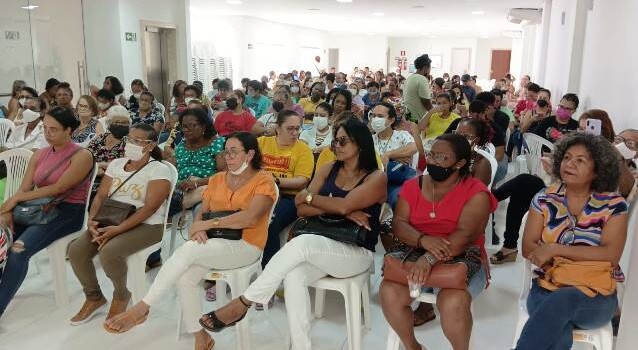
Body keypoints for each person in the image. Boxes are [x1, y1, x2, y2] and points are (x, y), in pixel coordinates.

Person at [190, 118, 385, 350]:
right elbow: (301, 207)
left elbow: (335, 204)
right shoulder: (327, 169)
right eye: (335, 141)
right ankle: (301, 346)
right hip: (322, 245)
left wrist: (325, 202)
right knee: (294, 276)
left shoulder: (376, 177)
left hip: (355, 250)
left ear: (360, 143)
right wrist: (338, 205)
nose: (337, 145)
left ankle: (244, 301)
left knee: (302, 243)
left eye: (343, 140)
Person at [102, 132, 277, 349]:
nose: (227, 156)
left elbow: (250, 217)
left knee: (188, 252)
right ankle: (200, 337)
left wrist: (207, 225)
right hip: (214, 244)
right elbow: (202, 213)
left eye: (234, 151)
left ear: (250, 154)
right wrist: (197, 227)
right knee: (185, 277)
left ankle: (142, 307)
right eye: (225, 151)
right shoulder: (217, 179)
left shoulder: (264, 181)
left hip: (247, 245)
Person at [380, 133, 496, 350]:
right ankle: (412, 346)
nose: (433, 161)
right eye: (432, 154)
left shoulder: (476, 192)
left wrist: (429, 258)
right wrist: (424, 241)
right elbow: (399, 224)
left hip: (461, 259)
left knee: (453, 302)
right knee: (389, 293)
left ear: (460, 163)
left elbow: (464, 237)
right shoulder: (413, 186)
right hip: (415, 251)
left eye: (442, 158)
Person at [514, 133, 628, 350]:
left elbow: (610, 255)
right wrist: (574, 256)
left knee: (560, 304)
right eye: (566, 157)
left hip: (596, 296)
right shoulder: (544, 199)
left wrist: (554, 249)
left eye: (580, 160)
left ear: (597, 170)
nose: (570, 164)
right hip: (547, 286)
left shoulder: (613, 205)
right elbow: (529, 248)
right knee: (557, 328)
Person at [68, 123, 171, 326]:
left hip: (148, 225)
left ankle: (121, 294)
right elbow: (100, 196)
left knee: (109, 251)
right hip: (111, 218)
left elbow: (149, 208)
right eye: (130, 139)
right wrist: (91, 221)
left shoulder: (159, 170)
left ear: (150, 146)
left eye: (138, 141)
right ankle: (94, 296)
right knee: (76, 251)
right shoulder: (116, 164)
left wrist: (117, 230)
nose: (131, 144)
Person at [0, 106, 94, 318]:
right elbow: (24, 189)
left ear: (69, 130)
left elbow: (59, 188)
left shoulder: (82, 155)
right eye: (45, 128)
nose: (47, 133)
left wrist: (15, 199)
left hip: (67, 212)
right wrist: (8, 212)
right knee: (1, 241)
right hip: (36, 208)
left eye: (54, 129)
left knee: (18, 252)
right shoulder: (39, 155)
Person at [258, 110, 314, 270]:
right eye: (290, 128)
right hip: (259, 193)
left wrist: (275, 180)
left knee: (270, 223)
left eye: (298, 128)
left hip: (289, 198)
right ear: (278, 127)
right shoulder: (262, 143)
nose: (295, 132)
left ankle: (269, 272)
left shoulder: (303, 150)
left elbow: (301, 181)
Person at [370, 102, 417, 208]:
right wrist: (397, 156)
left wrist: (389, 154)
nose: (375, 119)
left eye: (380, 116)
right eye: (373, 115)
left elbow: (413, 148)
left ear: (391, 120)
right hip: (373, 182)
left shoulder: (401, 135)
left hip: (397, 181)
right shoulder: (369, 139)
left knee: (397, 197)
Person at [87, 106, 130, 178]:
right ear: (109, 123)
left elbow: (125, 164)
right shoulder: (100, 138)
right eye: (116, 122)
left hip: (115, 182)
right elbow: (85, 156)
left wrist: (99, 165)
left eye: (124, 122)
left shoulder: (130, 142)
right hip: (90, 178)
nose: (120, 125)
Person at [455, 118, 494, 186]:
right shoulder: (451, 155)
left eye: (465, 136)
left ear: (476, 140)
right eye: (456, 134)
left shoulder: (481, 163)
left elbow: (476, 193)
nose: (458, 139)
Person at [403, 55, 433, 122]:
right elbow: (425, 101)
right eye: (430, 68)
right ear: (425, 68)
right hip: (417, 118)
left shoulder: (409, 78)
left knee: (411, 130)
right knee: (417, 131)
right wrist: (434, 113)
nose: (429, 71)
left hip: (409, 116)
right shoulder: (421, 79)